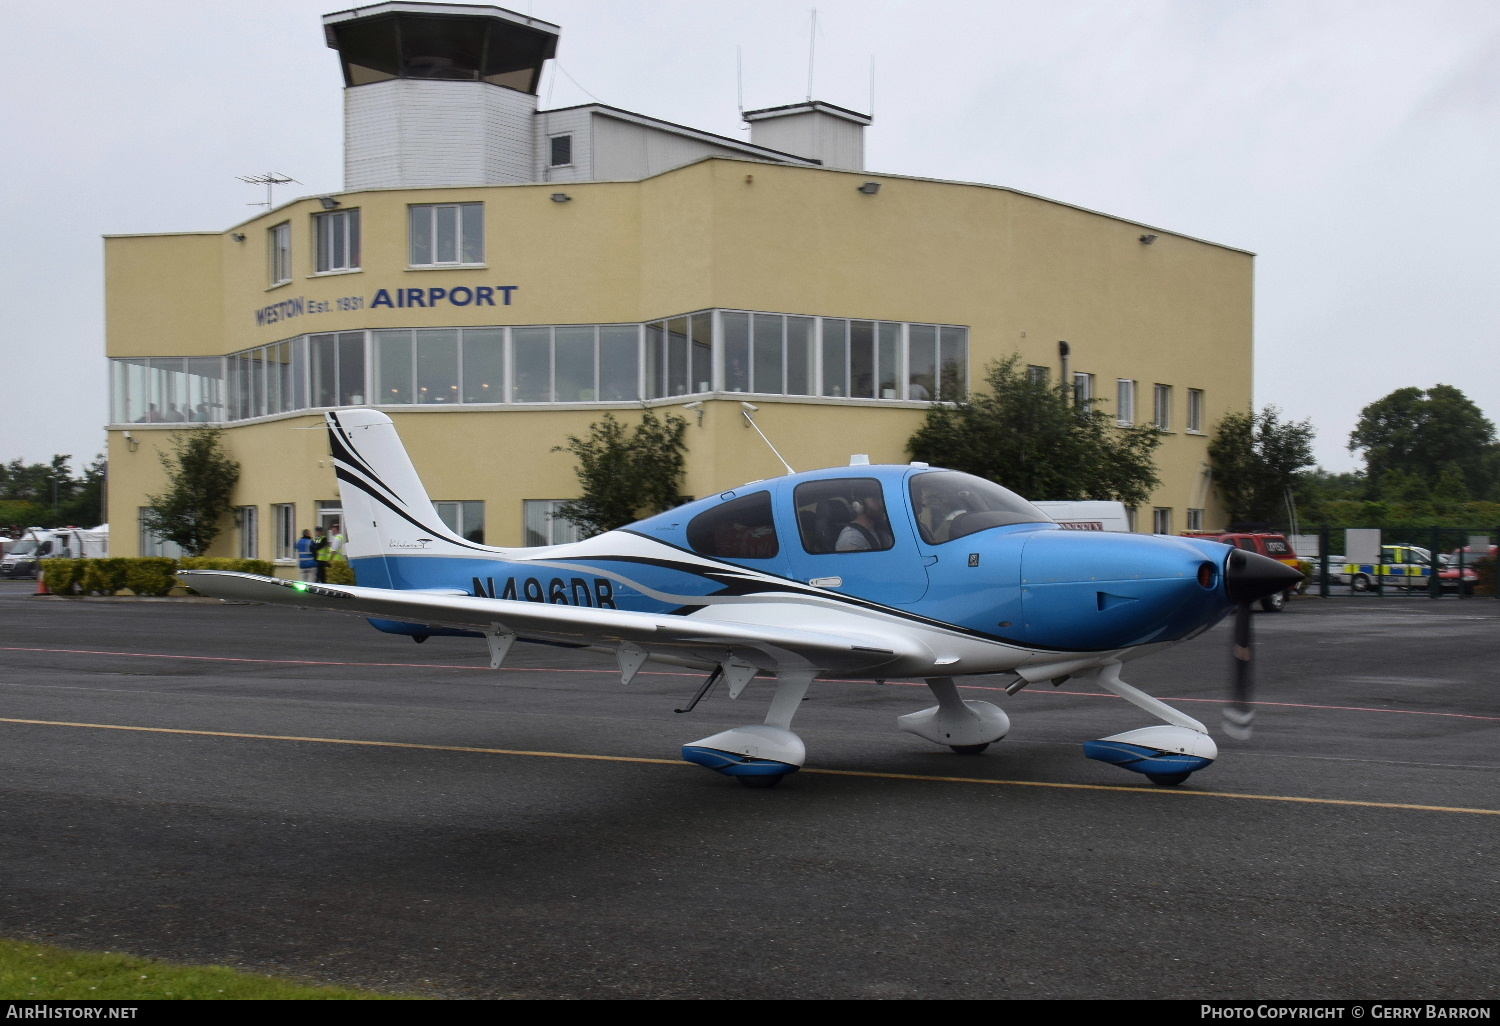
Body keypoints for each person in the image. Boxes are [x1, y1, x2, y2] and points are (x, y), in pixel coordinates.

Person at [835, 487, 893, 552]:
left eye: (880, 500)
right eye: (874, 500)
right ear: (858, 505)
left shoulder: (880, 534)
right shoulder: (851, 538)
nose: (880, 505)